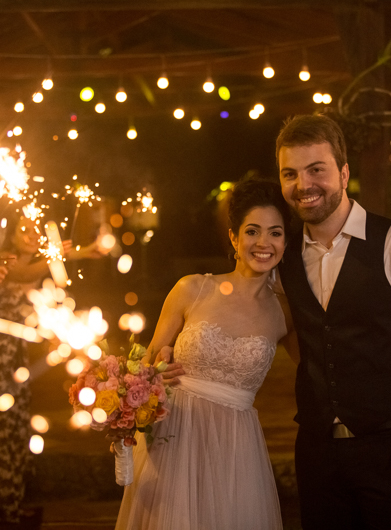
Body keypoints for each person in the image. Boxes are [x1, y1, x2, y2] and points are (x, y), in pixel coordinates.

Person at [275, 114, 391, 530]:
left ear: (344, 173)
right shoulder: (283, 257)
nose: (303, 184)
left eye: (316, 170)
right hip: (317, 454)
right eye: (290, 173)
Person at [115, 179, 292, 530]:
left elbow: (319, 372)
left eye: (275, 233)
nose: (263, 243)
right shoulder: (192, 289)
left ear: (286, 241)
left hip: (236, 451)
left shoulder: (285, 313)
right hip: (175, 439)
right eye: (252, 231)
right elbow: (144, 363)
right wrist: (151, 377)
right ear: (234, 238)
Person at [0, 218, 97, 523]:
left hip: (12, 353)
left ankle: (7, 503)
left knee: (11, 426)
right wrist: (58, 256)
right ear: (10, 233)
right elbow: (23, 272)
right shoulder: (3, 258)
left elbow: (44, 269)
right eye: (25, 230)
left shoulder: (35, 264)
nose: (32, 235)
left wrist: (85, 251)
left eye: (36, 231)